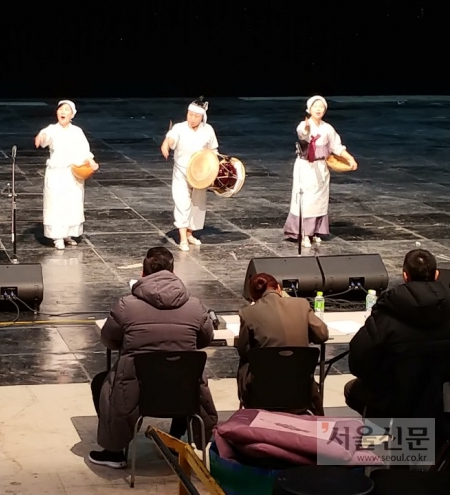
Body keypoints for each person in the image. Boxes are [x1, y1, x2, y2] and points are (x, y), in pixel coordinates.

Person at [88, 246, 218, 468]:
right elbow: (205, 340)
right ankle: (174, 441)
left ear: (142, 274)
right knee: (183, 373)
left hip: (137, 391)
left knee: (101, 382)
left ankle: (115, 451)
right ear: (174, 272)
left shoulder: (126, 306)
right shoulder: (196, 306)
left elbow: (109, 340)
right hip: (183, 393)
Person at [345, 249, 450, 417]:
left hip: (394, 398)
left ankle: (389, 435)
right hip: (439, 399)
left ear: (405, 275)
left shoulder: (386, 313)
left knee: (353, 389)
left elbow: (358, 361)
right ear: (436, 275)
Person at [237, 273, 329, 415]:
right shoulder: (301, 305)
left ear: (253, 297)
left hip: (264, 391)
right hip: (300, 389)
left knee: (245, 365)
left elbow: (244, 350)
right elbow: (322, 335)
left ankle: (248, 411)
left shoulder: (248, 313)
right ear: (279, 288)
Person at [283, 96, 358, 248]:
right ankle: (304, 233)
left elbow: (337, 147)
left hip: (321, 167)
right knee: (306, 200)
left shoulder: (327, 128)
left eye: (321, 107)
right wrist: (306, 129)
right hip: (305, 167)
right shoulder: (304, 125)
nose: (318, 109)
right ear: (309, 109)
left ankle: (316, 231)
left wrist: (350, 159)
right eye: (315, 106)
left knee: (320, 200)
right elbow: (302, 133)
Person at [35, 100, 99, 250]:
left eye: (66, 110)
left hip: (73, 174)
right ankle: (57, 237)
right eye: (60, 109)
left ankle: (68, 233)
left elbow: (84, 150)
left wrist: (91, 162)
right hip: (57, 173)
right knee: (56, 203)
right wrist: (40, 137)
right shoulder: (52, 129)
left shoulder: (77, 131)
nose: (62, 112)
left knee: (72, 204)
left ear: (72, 115)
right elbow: (45, 135)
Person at [161, 97, 219, 252]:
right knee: (182, 203)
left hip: (200, 174)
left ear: (202, 117)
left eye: (196, 116)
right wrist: (166, 145)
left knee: (197, 205)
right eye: (190, 114)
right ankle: (182, 238)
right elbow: (171, 138)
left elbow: (213, 150)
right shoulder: (180, 128)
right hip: (181, 172)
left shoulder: (208, 130)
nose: (192, 118)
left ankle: (189, 233)